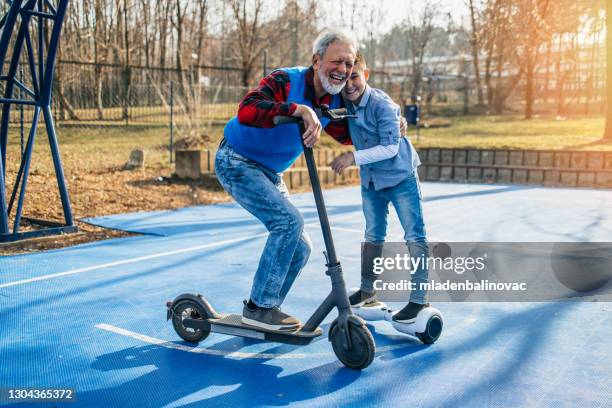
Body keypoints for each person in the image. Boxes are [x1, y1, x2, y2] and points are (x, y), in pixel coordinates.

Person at [215, 30, 357, 331]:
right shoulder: (285, 81)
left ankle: (265, 309)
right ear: (316, 60)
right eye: (337, 61)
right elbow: (247, 109)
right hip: (237, 160)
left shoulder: (334, 97)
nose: (343, 70)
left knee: (301, 248)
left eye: (349, 63)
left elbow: (350, 134)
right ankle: (259, 308)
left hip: (270, 172)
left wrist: (389, 122)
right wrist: (297, 109)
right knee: (288, 222)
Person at [330, 52, 430, 323]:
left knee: (414, 235)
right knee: (373, 234)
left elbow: (390, 148)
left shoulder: (382, 105)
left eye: (355, 77)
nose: (349, 84)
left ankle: (420, 299)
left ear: (366, 75)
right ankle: (367, 289)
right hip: (372, 181)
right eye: (345, 78)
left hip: (400, 177)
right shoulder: (343, 100)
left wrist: (352, 157)